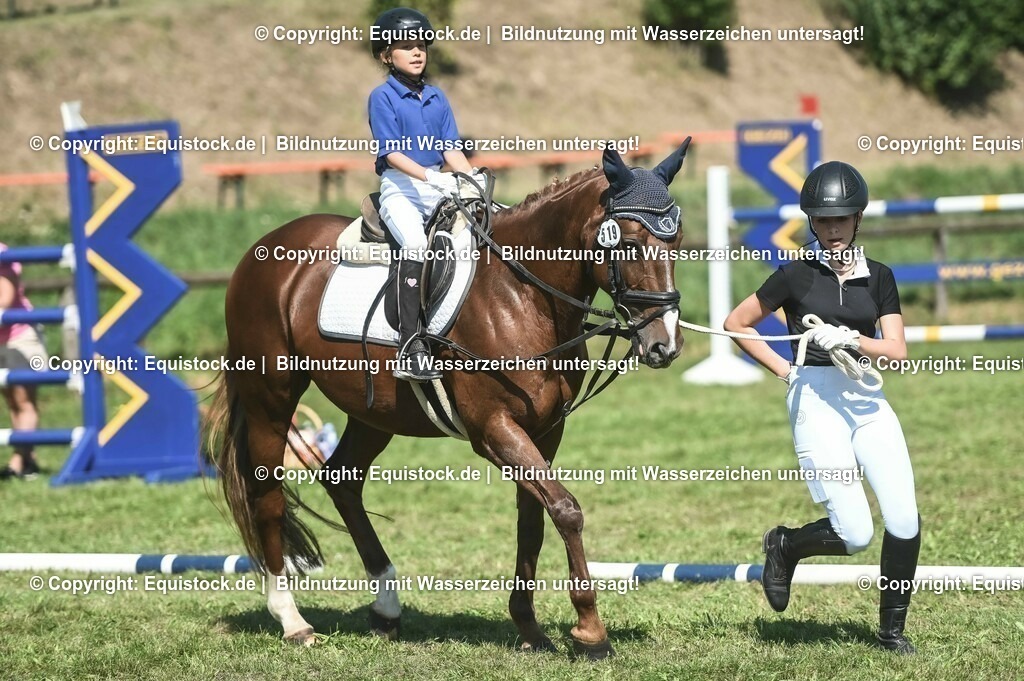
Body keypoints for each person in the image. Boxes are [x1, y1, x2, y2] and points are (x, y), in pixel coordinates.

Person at [723, 161, 921, 654]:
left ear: (858, 219)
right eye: (823, 220)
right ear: (812, 222)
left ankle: (890, 632)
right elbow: (736, 322)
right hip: (815, 398)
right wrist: (786, 371)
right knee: (855, 534)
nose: (832, 229)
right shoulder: (793, 275)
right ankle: (785, 545)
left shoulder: (879, 277)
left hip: (866, 399)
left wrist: (852, 338)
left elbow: (896, 349)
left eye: (841, 219)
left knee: (904, 522)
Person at [368, 7, 475, 382]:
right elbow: (391, 154)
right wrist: (432, 177)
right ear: (386, 55)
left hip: (437, 185)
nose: (417, 52)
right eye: (405, 46)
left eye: (421, 46)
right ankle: (409, 346)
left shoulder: (437, 97)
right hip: (402, 189)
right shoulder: (382, 98)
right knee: (415, 244)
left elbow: (451, 150)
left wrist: (470, 179)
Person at [0, 242, 49, 480]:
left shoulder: (2, 252)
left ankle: (17, 463)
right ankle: (28, 459)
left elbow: (5, 298)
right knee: (12, 401)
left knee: (24, 400)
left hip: (19, 335)